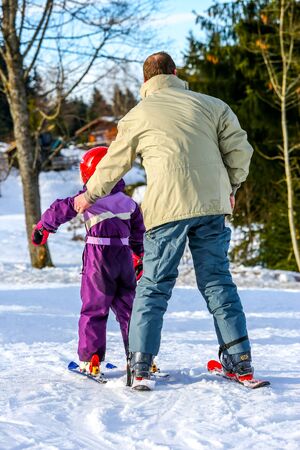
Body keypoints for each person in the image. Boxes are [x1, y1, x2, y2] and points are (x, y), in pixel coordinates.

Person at [74, 52, 254, 390]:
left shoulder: (136, 116)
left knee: (154, 286)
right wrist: (231, 186)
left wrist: (89, 196)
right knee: (217, 282)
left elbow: (112, 165)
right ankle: (240, 362)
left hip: (166, 208)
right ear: (174, 73)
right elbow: (241, 151)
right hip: (211, 204)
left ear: (146, 81)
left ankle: (140, 366)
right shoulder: (213, 105)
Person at [32, 146, 145, 376]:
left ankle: (90, 359)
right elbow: (138, 233)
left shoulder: (87, 199)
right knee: (129, 310)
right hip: (124, 259)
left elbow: (61, 209)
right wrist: (138, 257)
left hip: (98, 258)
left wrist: (44, 227)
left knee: (94, 309)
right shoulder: (129, 203)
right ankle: (139, 358)